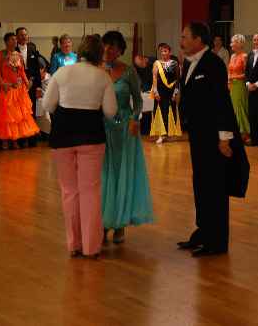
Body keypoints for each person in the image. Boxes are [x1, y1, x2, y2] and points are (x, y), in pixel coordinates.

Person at [177, 22, 250, 257]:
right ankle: (203, 231)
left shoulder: (214, 63)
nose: (181, 41)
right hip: (198, 135)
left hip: (215, 137)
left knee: (215, 187)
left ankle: (217, 241)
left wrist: (225, 138)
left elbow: (221, 103)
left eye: (185, 37)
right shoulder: (189, 63)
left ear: (198, 39)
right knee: (201, 183)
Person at [43, 35, 117, 259]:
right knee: (90, 191)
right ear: (99, 54)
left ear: (80, 51)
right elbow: (110, 111)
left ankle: (74, 244)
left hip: (62, 136)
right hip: (91, 136)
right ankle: (91, 247)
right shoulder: (103, 76)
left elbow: (48, 105)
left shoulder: (62, 73)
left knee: (69, 191)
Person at [100, 31, 153, 244]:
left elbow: (138, 101)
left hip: (123, 128)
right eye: (105, 45)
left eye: (112, 46)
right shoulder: (96, 70)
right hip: (101, 128)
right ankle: (103, 223)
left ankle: (120, 223)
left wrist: (134, 118)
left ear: (120, 50)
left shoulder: (129, 71)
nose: (108, 50)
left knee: (121, 174)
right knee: (104, 175)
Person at [0, 32, 40, 149]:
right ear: (6, 42)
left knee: (17, 116)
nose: (15, 41)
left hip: (18, 89)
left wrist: (27, 83)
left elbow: (22, 72)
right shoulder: (0, 55)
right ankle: (5, 140)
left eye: (15, 39)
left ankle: (15, 140)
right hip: (6, 89)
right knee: (6, 115)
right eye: (12, 39)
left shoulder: (18, 55)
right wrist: (2, 84)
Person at [15, 27, 44, 147]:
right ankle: (21, 139)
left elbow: (36, 69)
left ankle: (32, 139)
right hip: (18, 85)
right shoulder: (14, 50)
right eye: (21, 35)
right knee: (20, 112)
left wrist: (38, 86)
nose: (24, 37)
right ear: (17, 37)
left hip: (31, 83)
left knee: (31, 111)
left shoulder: (33, 48)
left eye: (25, 35)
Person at [150, 42, 181, 144]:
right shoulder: (157, 63)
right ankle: (161, 134)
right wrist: (155, 91)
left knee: (171, 111)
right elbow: (154, 77)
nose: (163, 53)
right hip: (160, 91)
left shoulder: (174, 63)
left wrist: (175, 92)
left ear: (169, 52)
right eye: (162, 51)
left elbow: (177, 79)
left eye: (165, 51)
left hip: (171, 91)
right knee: (161, 111)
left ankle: (171, 133)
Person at [227, 34, 250, 142]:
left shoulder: (244, 56)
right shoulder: (232, 56)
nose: (231, 44)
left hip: (240, 85)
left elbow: (247, 74)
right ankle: (236, 131)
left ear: (239, 44)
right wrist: (228, 80)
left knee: (240, 107)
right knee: (233, 108)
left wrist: (234, 77)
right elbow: (229, 71)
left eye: (233, 42)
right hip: (232, 85)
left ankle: (244, 132)